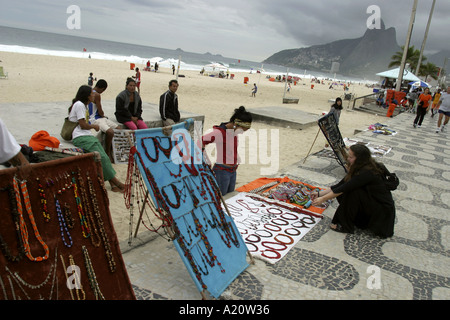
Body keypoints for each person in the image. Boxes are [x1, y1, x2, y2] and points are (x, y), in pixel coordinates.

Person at [311, 144, 396, 238]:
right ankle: (357, 220)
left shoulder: (367, 172)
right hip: (373, 203)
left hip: (381, 210)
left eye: (351, 157)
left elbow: (345, 188)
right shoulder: (362, 167)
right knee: (349, 190)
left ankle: (345, 226)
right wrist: (319, 194)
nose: (348, 159)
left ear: (359, 159)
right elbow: (340, 184)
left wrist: (323, 199)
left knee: (351, 192)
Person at [68, 85, 125, 193]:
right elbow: (83, 125)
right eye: (92, 93)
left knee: (104, 157)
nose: (94, 95)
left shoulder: (83, 105)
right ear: (87, 95)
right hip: (81, 137)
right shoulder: (80, 105)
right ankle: (117, 183)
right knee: (102, 157)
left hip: (86, 136)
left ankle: (114, 186)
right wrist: (94, 126)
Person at [202, 106, 252, 196]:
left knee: (229, 198)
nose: (242, 133)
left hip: (233, 171)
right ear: (235, 124)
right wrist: (206, 159)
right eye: (242, 130)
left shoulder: (233, 132)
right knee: (220, 198)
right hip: (222, 172)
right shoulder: (219, 132)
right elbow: (200, 142)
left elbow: (231, 147)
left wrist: (237, 157)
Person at [88, 79, 118, 162]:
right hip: (95, 119)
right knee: (110, 132)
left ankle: (112, 151)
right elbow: (100, 111)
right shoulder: (96, 95)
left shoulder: (89, 91)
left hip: (98, 117)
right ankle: (107, 152)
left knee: (118, 128)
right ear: (103, 89)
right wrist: (103, 115)